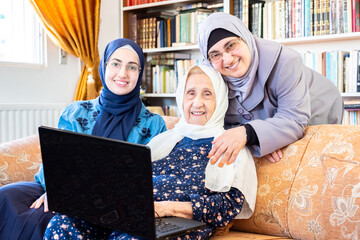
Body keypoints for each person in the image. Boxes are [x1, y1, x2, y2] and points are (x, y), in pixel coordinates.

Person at [43, 64, 257, 240]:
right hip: (127, 212)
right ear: (181, 97)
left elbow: (227, 207)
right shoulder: (164, 139)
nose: (197, 102)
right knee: (62, 224)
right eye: (190, 93)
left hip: (176, 221)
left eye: (207, 94)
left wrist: (164, 208)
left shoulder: (230, 143)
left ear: (220, 100)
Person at [0, 38, 166, 240]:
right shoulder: (76, 111)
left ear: (139, 74)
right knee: (6, 196)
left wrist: (69, 199)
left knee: (42, 219)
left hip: (111, 204)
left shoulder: (154, 124)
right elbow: (56, 162)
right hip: (63, 190)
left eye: (132, 67)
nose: (123, 74)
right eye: (115, 64)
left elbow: (151, 179)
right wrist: (56, 192)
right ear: (104, 67)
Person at [197, 12, 344, 165]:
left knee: (311, 159)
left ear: (245, 37)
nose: (227, 59)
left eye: (231, 45)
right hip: (274, 118)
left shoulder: (286, 61)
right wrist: (259, 140)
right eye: (215, 55)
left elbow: (293, 120)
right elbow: (208, 122)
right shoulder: (210, 75)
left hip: (317, 105)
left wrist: (250, 134)